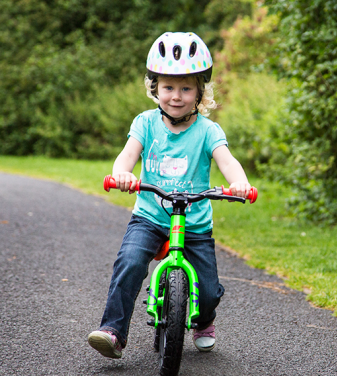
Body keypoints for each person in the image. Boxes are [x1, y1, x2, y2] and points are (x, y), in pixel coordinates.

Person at [88, 32, 251, 359]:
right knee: (130, 262)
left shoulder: (208, 130)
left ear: (200, 91)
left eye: (186, 88)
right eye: (168, 87)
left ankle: (205, 321)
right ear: (155, 88)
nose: (176, 96)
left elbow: (226, 160)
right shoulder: (146, 123)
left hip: (195, 222)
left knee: (206, 291)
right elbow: (127, 155)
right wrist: (123, 173)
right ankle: (113, 331)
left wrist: (240, 183)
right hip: (150, 216)